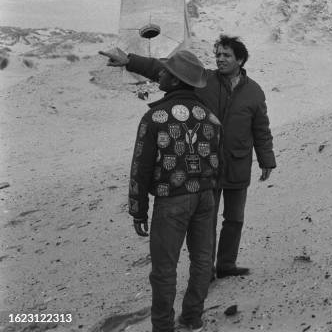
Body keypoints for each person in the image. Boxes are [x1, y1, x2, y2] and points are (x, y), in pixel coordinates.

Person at [101, 35, 276, 280]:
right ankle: (208, 271)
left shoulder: (254, 92)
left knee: (234, 219)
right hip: (208, 166)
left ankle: (227, 264)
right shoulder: (204, 81)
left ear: (240, 59)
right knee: (208, 221)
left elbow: (261, 129)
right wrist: (129, 60)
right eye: (218, 54)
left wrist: (266, 159)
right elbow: (163, 69)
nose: (220, 59)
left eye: (226, 55)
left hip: (238, 163)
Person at [111, 49, 220, 332]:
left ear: (175, 80)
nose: (161, 73)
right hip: (206, 196)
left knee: (164, 270)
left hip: (172, 200)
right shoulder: (209, 117)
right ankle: (193, 318)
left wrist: (138, 210)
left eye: (166, 71)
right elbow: (215, 158)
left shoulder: (155, 117)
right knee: (202, 261)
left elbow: (141, 168)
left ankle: (162, 326)